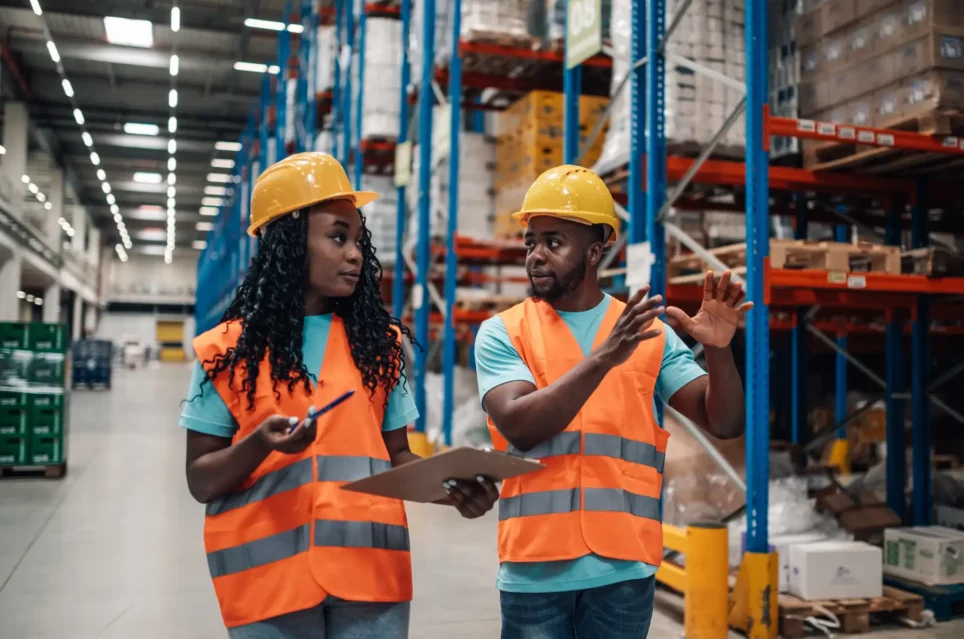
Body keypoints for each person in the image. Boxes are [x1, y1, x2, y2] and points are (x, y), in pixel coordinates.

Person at [180, 152, 498, 638]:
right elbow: (201, 481)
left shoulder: (379, 345)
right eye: (337, 237)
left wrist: (450, 490)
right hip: (267, 585)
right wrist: (261, 443)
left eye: (357, 239)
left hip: (370, 580)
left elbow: (395, 457)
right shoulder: (225, 351)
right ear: (287, 244)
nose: (355, 254)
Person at [475, 165, 750, 639]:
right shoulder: (503, 332)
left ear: (596, 250)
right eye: (531, 243)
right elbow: (520, 424)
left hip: (624, 571)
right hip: (534, 568)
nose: (536, 256)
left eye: (554, 242)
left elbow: (724, 422)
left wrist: (720, 352)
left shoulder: (647, 332)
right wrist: (604, 357)